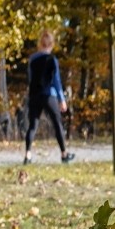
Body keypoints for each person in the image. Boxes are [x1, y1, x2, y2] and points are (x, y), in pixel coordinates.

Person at [23, 32, 74, 164]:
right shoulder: (52, 60)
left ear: (40, 44)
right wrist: (61, 99)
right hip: (48, 94)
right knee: (57, 123)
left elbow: (30, 78)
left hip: (34, 94)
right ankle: (64, 153)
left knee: (32, 125)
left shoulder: (32, 59)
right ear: (52, 44)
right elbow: (56, 80)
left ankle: (28, 154)